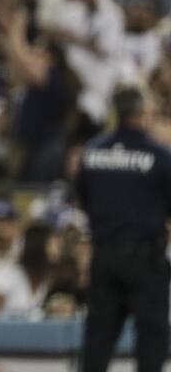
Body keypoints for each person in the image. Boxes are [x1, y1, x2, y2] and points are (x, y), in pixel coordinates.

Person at [76, 87, 170, 372]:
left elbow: (84, 199)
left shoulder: (91, 153)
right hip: (144, 258)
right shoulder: (158, 156)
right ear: (143, 113)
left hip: (104, 255)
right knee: (151, 339)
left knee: (98, 340)